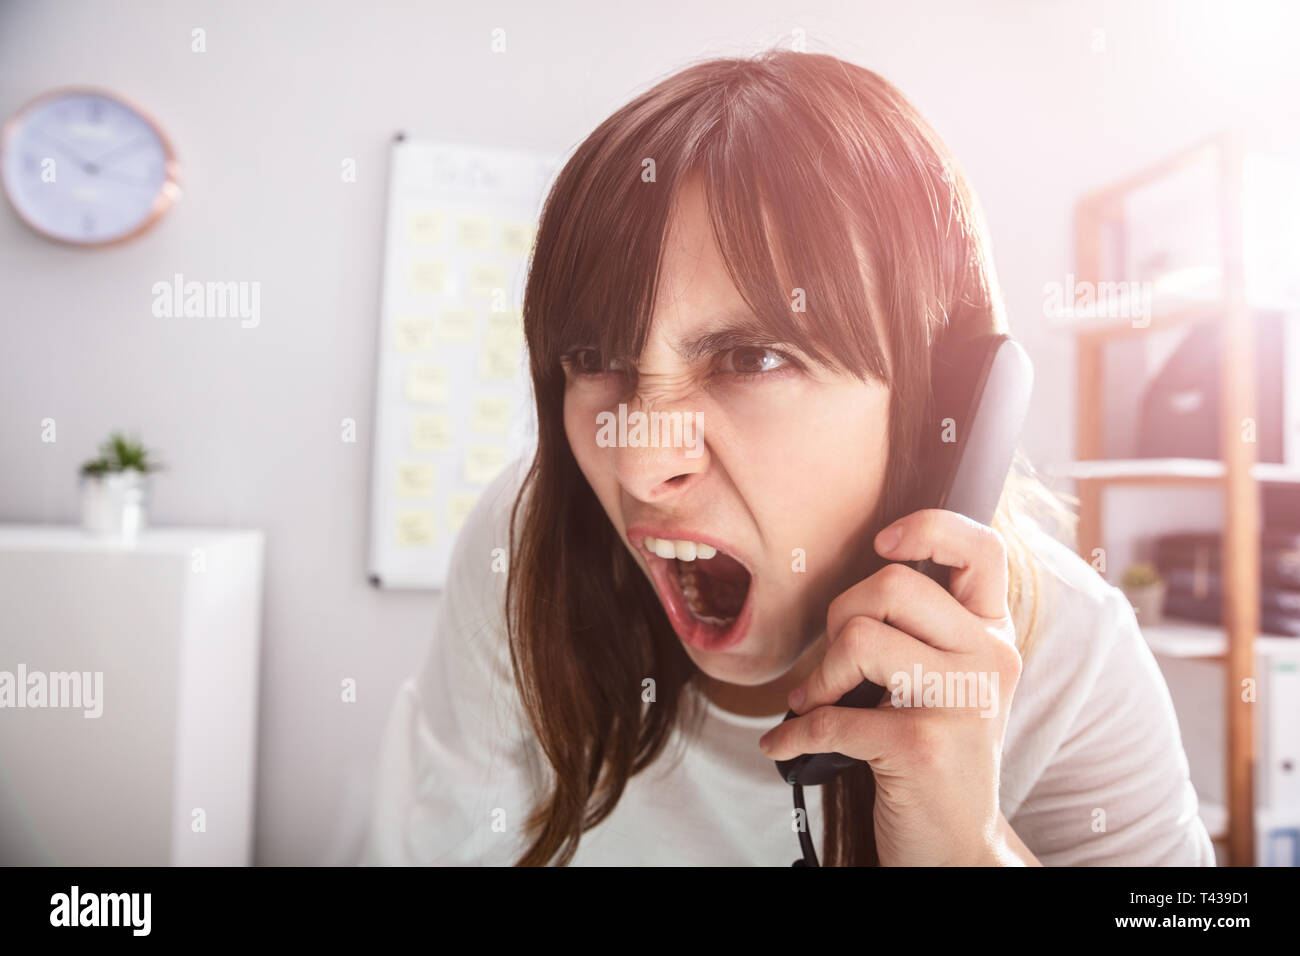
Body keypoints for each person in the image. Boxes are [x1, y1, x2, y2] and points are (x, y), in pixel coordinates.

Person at [362, 49, 1215, 866]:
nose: (636, 467)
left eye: (750, 359)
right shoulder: (524, 550)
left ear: (939, 414)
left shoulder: (1075, 655)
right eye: (596, 360)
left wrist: (968, 845)